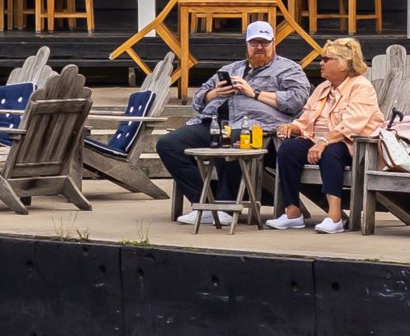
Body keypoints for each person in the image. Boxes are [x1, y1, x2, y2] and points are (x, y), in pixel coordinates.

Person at [153, 16, 311, 224]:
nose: (259, 47)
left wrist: (253, 92)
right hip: (213, 122)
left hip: (255, 127)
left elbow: (297, 101)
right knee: (168, 144)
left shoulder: (289, 69)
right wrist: (215, 93)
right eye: (254, 42)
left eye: (264, 43)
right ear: (247, 45)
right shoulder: (231, 69)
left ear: (274, 44)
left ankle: (226, 207)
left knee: (228, 140)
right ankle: (204, 203)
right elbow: (198, 100)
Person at [267, 38, 381, 233]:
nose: (321, 63)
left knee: (330, 152)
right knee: (288, 149)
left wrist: (324, 141)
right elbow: (305, 120)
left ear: (344, 64)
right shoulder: (323, 88)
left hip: (352, 146)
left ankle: (334, 217)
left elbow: (352, 126)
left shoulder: (361, 87)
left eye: (326, 59)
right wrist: (293, 127)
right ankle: (293, 212)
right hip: (316, 142)